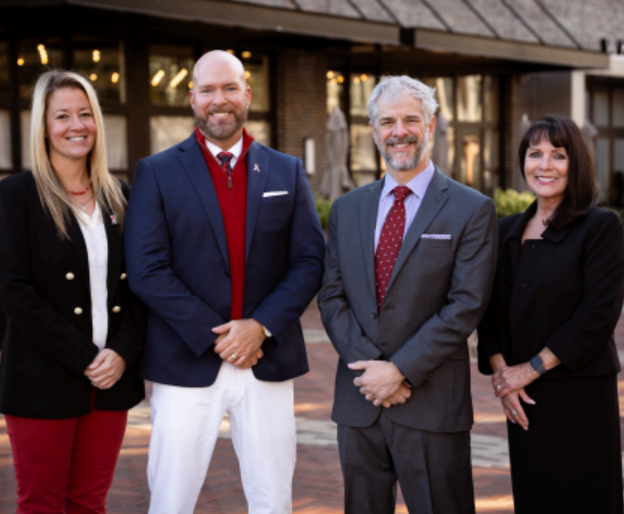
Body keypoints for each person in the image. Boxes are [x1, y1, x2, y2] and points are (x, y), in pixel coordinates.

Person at [124, 50, 325, 514]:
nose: (220, 100)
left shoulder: (285, 170)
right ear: (192, 98)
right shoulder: (157, 172)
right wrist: (218, 337)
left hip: (266, 358)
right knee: (171, 498)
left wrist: (258, 326)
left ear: (247, 95)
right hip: (186, 360)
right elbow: (146, 269)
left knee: (272, 498)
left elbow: (310, 260)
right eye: (209, 90)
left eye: (230, 88)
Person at [318, 75, 498, 514]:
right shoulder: (347, 208)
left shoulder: (471, 209)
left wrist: (398, 370)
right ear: (374, 131)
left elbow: (465, 306)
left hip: (432, 407)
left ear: (431, 126)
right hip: (360, 403)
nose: (399, 131)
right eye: (387, 121)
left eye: (411, 119)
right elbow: (332, 297)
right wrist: (374, 374)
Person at [0, 70, 145, 513]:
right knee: (42, 503)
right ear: (43, 126)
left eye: (85, 114)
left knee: (88, 502)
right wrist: (85, 356)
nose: (75, 125)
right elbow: (14, 290)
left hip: (111, 379)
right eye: (61, 115)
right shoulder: (15, 196)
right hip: (41, 379)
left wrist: (121, 351)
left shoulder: (119, 196)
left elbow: (143, 282)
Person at [477, 115, 624, 514]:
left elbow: (596, 316)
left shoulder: (600, 227)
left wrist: (529, 369)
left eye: (558, 155)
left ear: (576, 163)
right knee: (535, 498)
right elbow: (487, 311)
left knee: (584, 500)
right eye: (535, 153)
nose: (545, 165)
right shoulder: (505, 229)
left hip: (579, 393)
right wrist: (505, 377)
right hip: (525, 398)